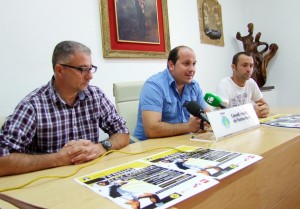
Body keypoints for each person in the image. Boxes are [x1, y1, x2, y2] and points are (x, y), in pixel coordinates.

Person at [0, 41, 130, 176]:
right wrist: (58, 159)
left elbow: (123, 133)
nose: (90, 76)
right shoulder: (33, 105)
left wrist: (102, 147)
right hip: (49, 182)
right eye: (82, 69)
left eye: (90, 69)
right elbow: (2, 159)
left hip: (89, 175)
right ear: (60, 70)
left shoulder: (95, 95)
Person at [134, 45, 210, 141]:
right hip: (149, 147)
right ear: (171, 65)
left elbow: (207, 114)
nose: (192, 69)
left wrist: (205, 121)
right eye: (186, 64)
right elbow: (151, 130)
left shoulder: (194, 86)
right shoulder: (154, 86)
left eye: (194, 64)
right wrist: (188, 127)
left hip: (182, 142)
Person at [216, 51, 269, 118]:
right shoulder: (224, 85)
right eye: (244, 65)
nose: (249, 69)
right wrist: (252, 113)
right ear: (233, 67)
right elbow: (221, 114)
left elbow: (265, 105)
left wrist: (263, 109)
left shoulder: (251, 82)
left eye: (251, 66)